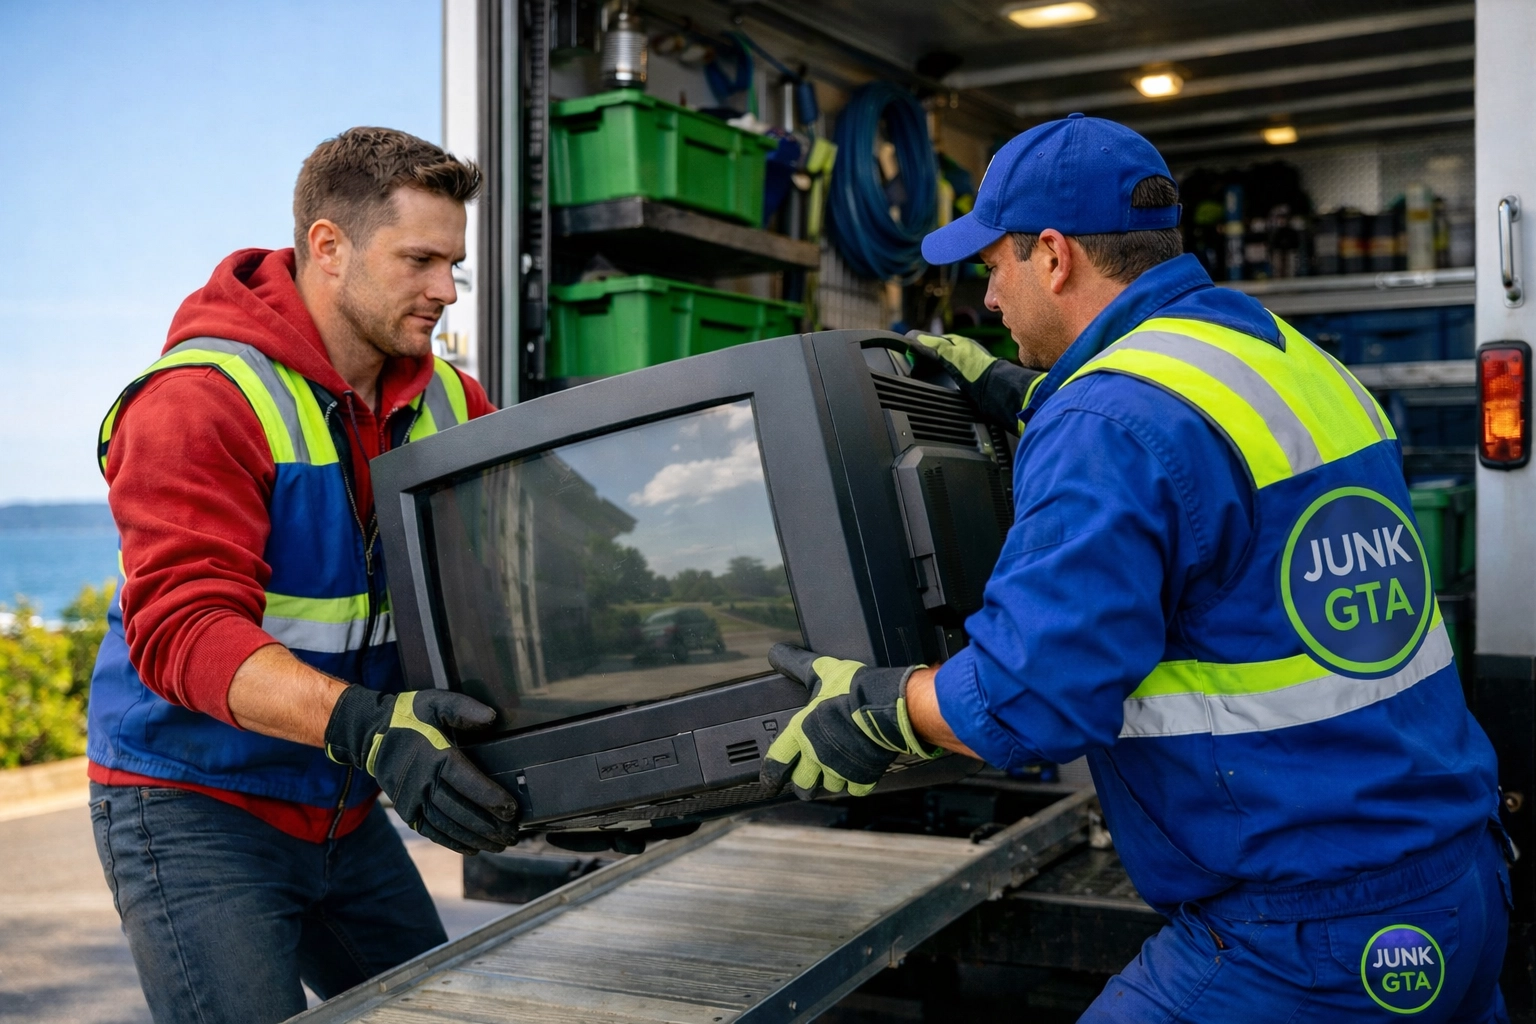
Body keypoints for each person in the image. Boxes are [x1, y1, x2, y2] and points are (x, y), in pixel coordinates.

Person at [760, 114, 1511, 1020]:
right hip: (1456, 883)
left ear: (1052, 255)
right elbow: (1199, 476)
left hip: (1310, 935)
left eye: (992, 267)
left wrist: (878, 712)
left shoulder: (1106, 422)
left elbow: (1032, 699)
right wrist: (1028, 395)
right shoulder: (1281, 355)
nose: (988, 301)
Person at [86, 127, 522, 1024]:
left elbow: (498, 586)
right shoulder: (197, 402)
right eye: (420, 260)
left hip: (344, 805)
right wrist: (370, 730)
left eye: (455, 266)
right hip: (195, 806)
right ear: (329, 246)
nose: (445, 290)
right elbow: (184, 632)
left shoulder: (453, 400)